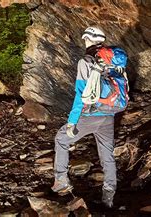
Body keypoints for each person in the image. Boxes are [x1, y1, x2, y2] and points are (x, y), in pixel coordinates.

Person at [51, 26, 118, 208]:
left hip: (90, 115)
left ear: (88, 39)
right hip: (109, 114)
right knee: (107, 156)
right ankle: (108, 198)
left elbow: (81, 94)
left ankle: (62, 181)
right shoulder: (112, 60)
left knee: (61, 139)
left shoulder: (86, 61)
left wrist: (72, 121)